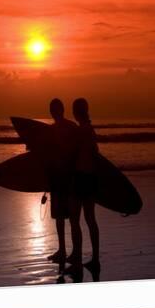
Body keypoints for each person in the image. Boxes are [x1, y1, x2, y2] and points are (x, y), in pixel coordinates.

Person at [66, 97, 100, 277]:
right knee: (90, 219)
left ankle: (77, 261)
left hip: (80, 177)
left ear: (76, 111)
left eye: (73, 109)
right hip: (91, 177)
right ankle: (95, 259)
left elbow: (72, 155)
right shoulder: (90, 130)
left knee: (74, 219)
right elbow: (96, 154)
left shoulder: (81, 131)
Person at [45, 98, 80, 265]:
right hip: (56, 177)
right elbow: (45, 152)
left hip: (70, 178)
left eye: (56, 109)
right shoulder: (51, 130)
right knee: (59, 217)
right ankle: (62, 249)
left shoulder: (71, 128)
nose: (54, 112)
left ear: (62, 110)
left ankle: (75, 252)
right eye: (52, 110)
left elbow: (80, 150)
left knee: (73, 218)